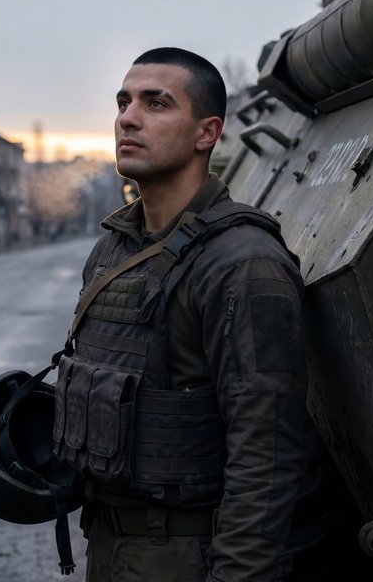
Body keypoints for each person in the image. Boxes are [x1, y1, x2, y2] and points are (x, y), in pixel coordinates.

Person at [52, 47, 322, 581]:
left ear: (207, 133)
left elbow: (267, 453)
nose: (128, 117)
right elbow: (126, 389)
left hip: (188, 554)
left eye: (156, 104)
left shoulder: (244, 262)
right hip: (110, 546)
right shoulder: (116, 246)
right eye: (124, 102)